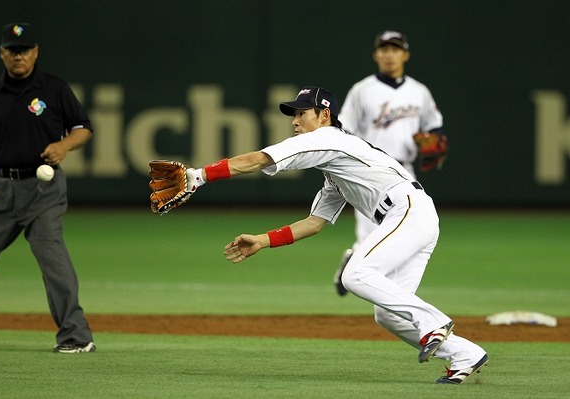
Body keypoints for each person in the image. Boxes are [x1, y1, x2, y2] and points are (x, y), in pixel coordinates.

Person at [182, 86, 488, 384]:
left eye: (302, 113)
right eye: (294, 114)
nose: (295, 121)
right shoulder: (335, 164)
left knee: (355, 274)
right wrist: (263, 239)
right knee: (387, 315)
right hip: (414, 217)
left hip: (406, 210)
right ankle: (464, 354)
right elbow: (315, 222)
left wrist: (199, 176)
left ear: (324, 115)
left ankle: (433, 322)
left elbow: (258, 159)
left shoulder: (327, 138)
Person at [0, 22, 95, 353]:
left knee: (53, 260)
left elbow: (84, 129)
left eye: (24, 49)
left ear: (35, 52)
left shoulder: (54, 89)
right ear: (2, 54)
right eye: (11, 50)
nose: (18, 56)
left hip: (43, 194)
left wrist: (65, 145)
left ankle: (75, 336)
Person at [333, 30, 447, 296]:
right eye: (384, 50)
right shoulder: (362, 90)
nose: (389, 55)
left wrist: (435, 143)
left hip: (404, 171)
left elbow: (435, 129)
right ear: (376, 55)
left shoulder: (419, 92)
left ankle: (380, 285)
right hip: (370, 172)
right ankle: (357, 260)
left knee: (401, 235)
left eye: (395, 49)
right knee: (369, 239)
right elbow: (343, 130)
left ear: (405, 54)